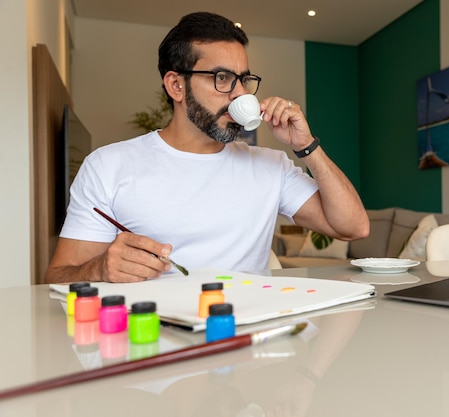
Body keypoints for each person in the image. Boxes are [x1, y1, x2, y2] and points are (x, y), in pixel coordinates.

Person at [45, 12, 369, 284]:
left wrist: (307, 146)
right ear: (176, 85)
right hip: (155, 337)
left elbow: (354, 227)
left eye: (243, 80)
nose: (240, 95)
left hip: (249, 334)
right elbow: (57, 277)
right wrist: (99, 269)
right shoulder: (108, 165)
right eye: (223, 78)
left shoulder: (272, 165)